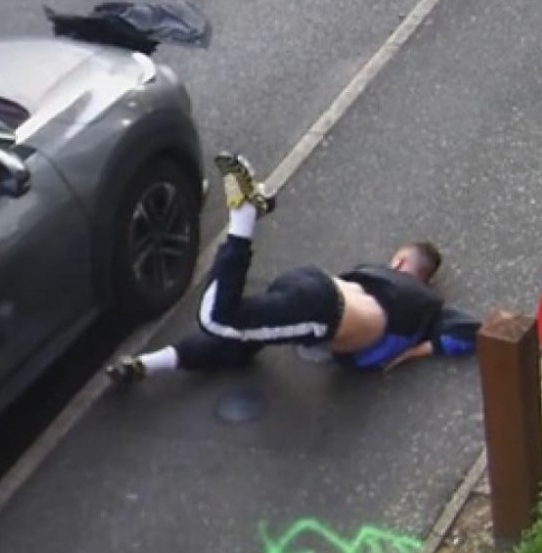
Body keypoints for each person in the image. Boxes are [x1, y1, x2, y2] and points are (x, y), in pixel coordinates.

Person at [105, 152, 479, 383]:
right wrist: (411, 353)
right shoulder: (428, 306)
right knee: (220, 318)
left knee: (239, 344)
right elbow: (469, 332)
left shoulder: (375, 277)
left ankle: (144, 365)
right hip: (321, 313)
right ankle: (245, 216)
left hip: (312, 287)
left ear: (398, 261)